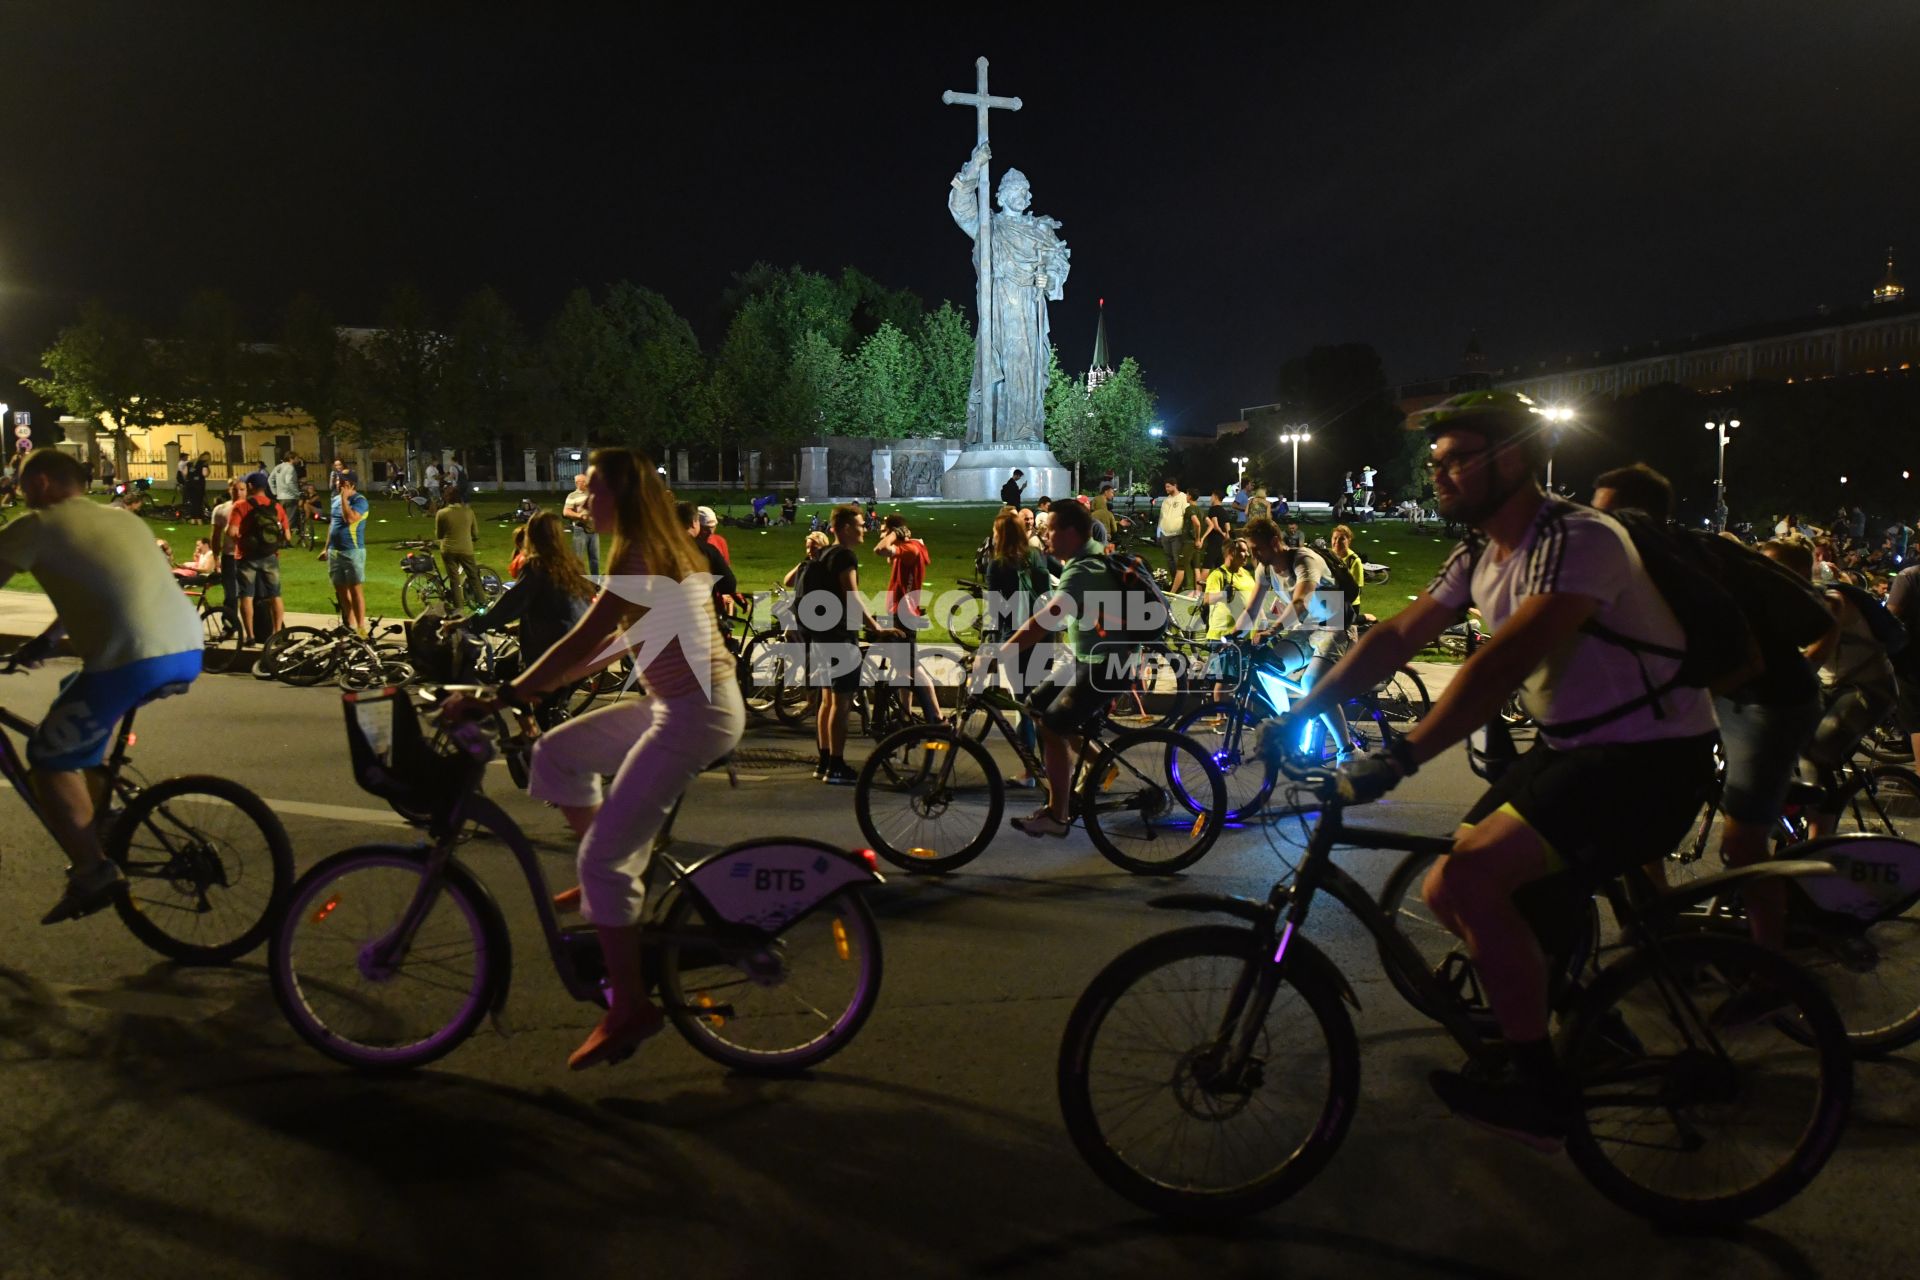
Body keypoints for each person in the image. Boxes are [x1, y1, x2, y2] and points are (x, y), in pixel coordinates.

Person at [1283, 390, 1718, 1150]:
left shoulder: (1580, 539)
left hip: (1646, 760)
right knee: (1446, 886)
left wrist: (1402, 756)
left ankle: (1540, 1087)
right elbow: (1396, 636)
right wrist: (1297, 711)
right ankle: (1587, 1020)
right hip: (1577, 750)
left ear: (1510, 459)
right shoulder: (1480, 554)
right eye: (1435, 463)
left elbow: (1502, 662)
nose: (1439, 476)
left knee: (1476, 880)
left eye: (1456, 461)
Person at [445, 448, 744, 1070]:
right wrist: (547, 683)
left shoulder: (641, 553)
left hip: (695, 716)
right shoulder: (650, 549)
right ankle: (607, 875)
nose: (584, 500)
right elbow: (620, 639)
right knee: (556, 754)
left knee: (605, 861)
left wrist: (507, 691)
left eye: (594, 490)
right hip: (681, 706)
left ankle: (629, 1005)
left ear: (623, 497)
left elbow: (587, 634)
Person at [1592, 464, 1832, 960]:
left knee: (1740, 846)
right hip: (1727, 693)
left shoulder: (1689, 563)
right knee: (1636, 811)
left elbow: (1751, 661)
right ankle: (1658, 929)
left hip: (1773, 700)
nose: (1596, 528)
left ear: (1638, 517)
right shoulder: (1647, 561)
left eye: (1605, 516)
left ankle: (1771, 969)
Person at [0, 450, 203, 923]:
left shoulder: (37, 525)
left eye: (22, 483)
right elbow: (100, 584)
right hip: (186, 649)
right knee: (75, 693)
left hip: (131, 661)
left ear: (44, 483)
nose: (19, 491)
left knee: (49, 757)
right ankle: (102, 811)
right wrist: (46, 640)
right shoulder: (122, 520)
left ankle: (93, 869)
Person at [992, 499, 1126, 836]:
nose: (1044, 534)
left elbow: (1047, 618)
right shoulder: (1087, 559)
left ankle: (1057, 815)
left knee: (1052, 727)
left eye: (1050, 529)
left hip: (1107, 664)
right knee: (1036, 704)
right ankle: (1097, 765)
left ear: (1069, 531)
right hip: (1091, 659)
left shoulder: (1082, 569)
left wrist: (1001, 652)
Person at [1763, 537, 1896, 841]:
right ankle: (1792, 814)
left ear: (1795, 571)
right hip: (1828, 687)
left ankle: (1819, 840)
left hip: (1868, 688)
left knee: (1815, 750)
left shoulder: (1832, 601)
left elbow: (1814, 655)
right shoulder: (1782, 603)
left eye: (1770, 566)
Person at [453, 511, 593, 722]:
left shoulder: (538, 566)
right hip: (579, 649)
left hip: (554, 655)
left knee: (543, 716)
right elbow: (558, 606)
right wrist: (521, 625)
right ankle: (531, 730)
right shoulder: (571, 564)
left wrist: (469, 624)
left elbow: (509, 605)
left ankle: (544, 744)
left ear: (532, 536)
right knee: (507, 671)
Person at [799, 504, 903, 784]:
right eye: (860, 526)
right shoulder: (845, 556)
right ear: (845, 528)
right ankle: (836, 765)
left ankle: (824, 761)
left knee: (827, 700)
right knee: (841, 702)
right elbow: (852, 597)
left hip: (819, 635)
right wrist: (877, 628)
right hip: (840, 636)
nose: (864, 530)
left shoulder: (823, 553)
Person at [1233, 516, 1353, 753]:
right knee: (1266, 666)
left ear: (1275, 542)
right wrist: (1232, 637)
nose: (1254, 555)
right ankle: (1288, 727)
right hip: (1306, 629)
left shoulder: (1304, 560)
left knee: (1312, 682)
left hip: (1335, 624)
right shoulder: (1264, 569)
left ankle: (1347, 750)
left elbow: (1301, 602)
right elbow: (1252, 609)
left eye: (1258, 548)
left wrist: (1273, 629)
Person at [873, 512, 940, 722]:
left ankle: (937, 716)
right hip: (903, 611)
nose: (881, 535)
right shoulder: (911, 547)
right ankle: (905, 713)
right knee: (904, 668)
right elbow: (888, 557)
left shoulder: (910, 549)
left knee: (912, 668)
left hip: (904, 613)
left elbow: (880, 550)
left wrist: (893, 535)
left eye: (884, 531)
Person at [229, 471, 290, 643]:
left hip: (247, 556)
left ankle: (250, 635)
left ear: (249, 486)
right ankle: (277, 633)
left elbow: (231, 531)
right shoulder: (276, 506)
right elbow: (287, 536)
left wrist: (241, 541)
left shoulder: (241, 506)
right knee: (275, 595)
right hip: (270, 556)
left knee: (246, 596)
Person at [319, 470, 370, 635]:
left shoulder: (360, 501)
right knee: (340, 590)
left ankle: (361, 629)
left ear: (351, 484)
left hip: (352, 551)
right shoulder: (334, 499)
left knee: (355, 590)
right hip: (335, 552)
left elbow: (350, 519)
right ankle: (350, 624)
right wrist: (326, 548)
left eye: (342, 481)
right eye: (338, 480)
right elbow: (332, 525)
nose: (338, 483)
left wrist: (344, 498)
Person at [678, 500, 738, 624]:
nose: (710, 532)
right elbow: (728, 582)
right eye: (707, 528)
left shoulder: (719, 541)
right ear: (695, 523)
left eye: (713, 527)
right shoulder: (706, 549)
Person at [435, 483, 483, 611]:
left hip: (448, 549)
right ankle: (482, 604)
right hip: (466, 549)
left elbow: (439, 534)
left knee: (454, 579)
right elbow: (475, 534)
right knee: (473, 576)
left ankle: (459, 609)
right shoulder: (469, 512)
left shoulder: (442, 513)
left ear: (447, 499)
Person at [209, 477, 244, 631]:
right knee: (231, 593)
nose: (237, 492)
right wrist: (216, 558)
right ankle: (229, 625)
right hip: (229, 556)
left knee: (251, 594)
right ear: (229, 490)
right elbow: (215, 536)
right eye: (234, 489)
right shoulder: (221, 509)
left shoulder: (251, 507)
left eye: (241, 489)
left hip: (247, 556)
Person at [1155, 479, 1194, 593]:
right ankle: (1175, 582)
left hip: (1177, 534)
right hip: (1165, 534)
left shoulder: (1182, 497)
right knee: (1169, 560)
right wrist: (1159, 533)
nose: (1166, 489)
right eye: (1165, 487)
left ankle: (1184, 584)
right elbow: (1161, 517)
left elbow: (1187, 515)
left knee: (1179, 561)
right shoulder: (1166, 500)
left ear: (1175, 486)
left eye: (1168, 486)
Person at [563, 471, 600, 575]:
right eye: (583, 481)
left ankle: (595, 582)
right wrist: (579, 516)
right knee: (578, 558)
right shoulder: (572, 496)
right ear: (577, 483)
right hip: (580, 529)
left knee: (595, 559)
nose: (586, 483)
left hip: (594, 529)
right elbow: (566, 512)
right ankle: (577, 581)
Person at [1328, 523, 1365, 615]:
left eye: (1342, 539)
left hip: (1349, 604)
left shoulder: (1354, 561)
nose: (1337, 542)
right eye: (1335, 538)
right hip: (1331, 601)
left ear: (1349, 540)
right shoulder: (1328, 555)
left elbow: (1357, 588)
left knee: (1347, 628)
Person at [269, 454, 303, 545]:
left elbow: (270, 479)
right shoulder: (290, 468)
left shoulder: (278, 467)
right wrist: (297, 493)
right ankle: (284, 542)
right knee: (290, 520)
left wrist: (275, 492)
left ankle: (279, 539)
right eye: (297, 458)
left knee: (281, 519)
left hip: (280, 497)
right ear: (291, 459)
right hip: (290, 497)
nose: (298, 460)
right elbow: (289, 483)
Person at [1199, 490, 1228, 570]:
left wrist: (1222, 533)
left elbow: (1215, 526)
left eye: (1211, 496)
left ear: (1215, 497)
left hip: (1214, 540)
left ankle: (1201, 582)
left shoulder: (1213, 509)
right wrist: (1226, 535)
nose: (1210, 498)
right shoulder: (1224, 511)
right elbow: (1227, 525)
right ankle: (1223, 581)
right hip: (1222, 541)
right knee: (1220, 565)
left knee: (1207, 564)